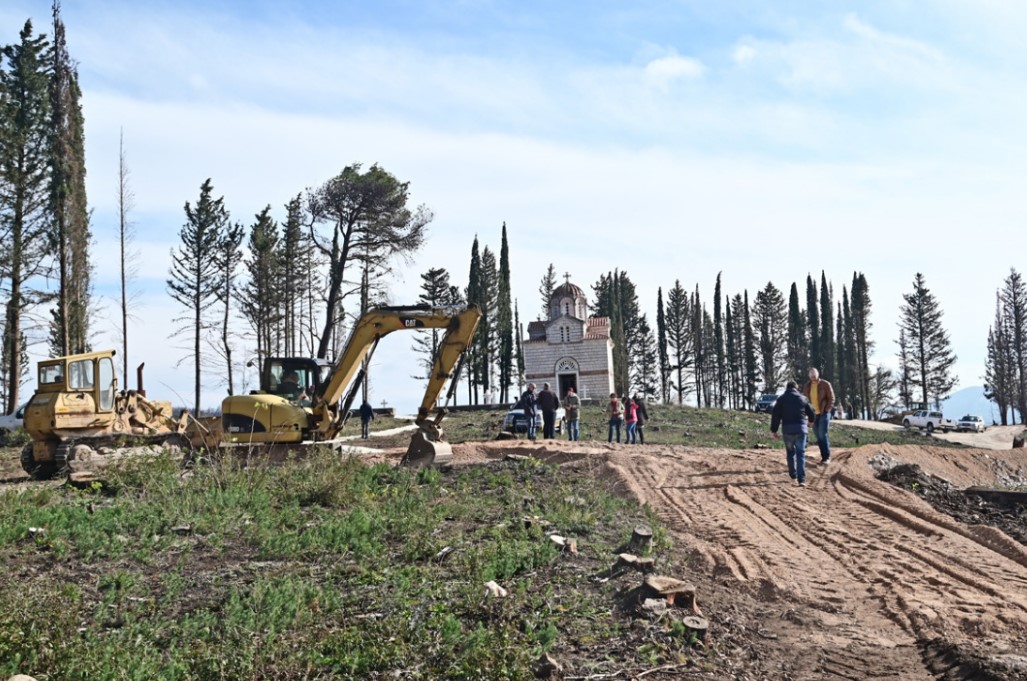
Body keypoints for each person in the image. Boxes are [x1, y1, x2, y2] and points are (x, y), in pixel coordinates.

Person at [770, 381, 816, 486]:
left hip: (787, 430)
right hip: (801, 430)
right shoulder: (803, 398)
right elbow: (811, 411)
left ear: (787, 388)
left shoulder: (781, 399)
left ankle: (793, 473)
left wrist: (774, 430)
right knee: (801, 454)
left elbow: (775, 416)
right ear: (796, 388)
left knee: (790, 452)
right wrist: (811, 422)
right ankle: (802, 480)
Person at [802, 367, 835, 465]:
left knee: (822, 434)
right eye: (811, 374)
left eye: (814, 373)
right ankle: (823, 456)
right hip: (813, 415)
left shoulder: (825, 384)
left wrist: (827, 409)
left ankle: (826, 457)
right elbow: (805, 401)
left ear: (818, 374)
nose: (812, 375)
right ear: (809, 376)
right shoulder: (807, 386)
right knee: (818, 436)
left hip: (824, 413)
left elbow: (831, 398)